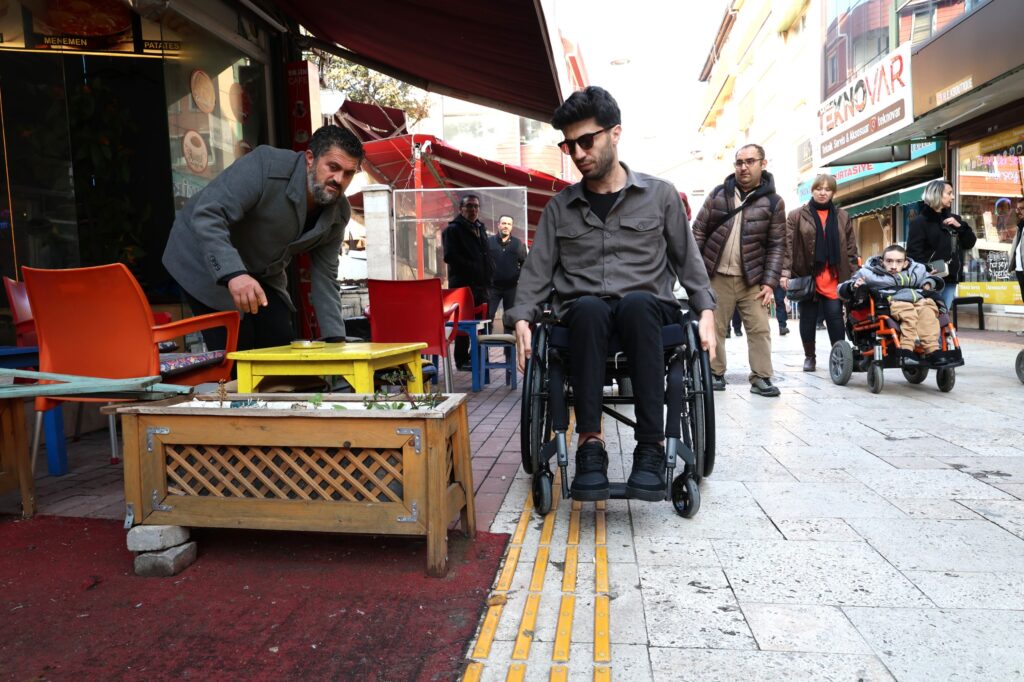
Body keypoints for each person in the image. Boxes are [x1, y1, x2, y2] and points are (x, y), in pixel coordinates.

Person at [507, 86, 716, 502]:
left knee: (638, 303)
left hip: (648, 317)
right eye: (570, 145)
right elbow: (536, 272)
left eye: (587, 141)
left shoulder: (660, 197)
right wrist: (521, 319)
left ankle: (652, 448)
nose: (579, 153)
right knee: (585, 308)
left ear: (615, 133)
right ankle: (590, 446)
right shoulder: (559, 208)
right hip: (583, 321)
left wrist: (706, 310)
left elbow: (688, 260)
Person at [163, 125, 363, 351]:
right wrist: (233, 273)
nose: (339, 179)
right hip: (201, 254)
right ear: (310, 159)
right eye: (333, 167)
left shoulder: (339, 213)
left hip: (261, 272)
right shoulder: (264, 165)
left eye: (348, 173)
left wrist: (335, 341)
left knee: (280, 343)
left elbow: (325, 275)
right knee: (239, 348)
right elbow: (207, 214)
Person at [692, 143, 785, 397]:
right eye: (739, 162)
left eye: (750, 161)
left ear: (763, 164)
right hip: (717, 275)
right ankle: (714, 373)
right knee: (715, 327)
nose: (743, 167)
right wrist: (697, 268)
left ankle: (762, 378)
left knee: (759, 329)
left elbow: (777, 243)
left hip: (752, 278)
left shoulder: (774, 202)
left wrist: (770, 281)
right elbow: (698, 230)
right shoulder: (719, 194)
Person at [780, 173, 858, 371]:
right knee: (807, 317)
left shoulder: (842, 216)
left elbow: (851, 249)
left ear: (833, 192)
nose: (823, 193)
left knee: (834, 316)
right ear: (812, 190)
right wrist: (785, 272)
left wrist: (855, 275)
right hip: (808, 274)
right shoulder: (797, 215)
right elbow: (787, 245)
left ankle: (839, 356)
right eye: (819, 188)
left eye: (828, 189)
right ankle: (809, 357)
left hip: (834, 275)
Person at [839, 244, 946, 363]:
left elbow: (932, 279)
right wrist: (853, 286)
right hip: (893, 300)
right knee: (909, 315)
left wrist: (929, 283)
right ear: (881, 261)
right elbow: (841, 289)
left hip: (918, 299)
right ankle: (906, 352)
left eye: (898, 262)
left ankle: (933, 351)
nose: (893, 266)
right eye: (889, 261)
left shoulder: (917, 270)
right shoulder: (868, 273)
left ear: (905, 263)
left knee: (928, 313)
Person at [906, 179, 977, 311]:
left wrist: (960, 227)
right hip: (930, 279)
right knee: (930, 318)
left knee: (943, 315)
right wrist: (927, 270)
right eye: (949, 193)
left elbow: (970, 243)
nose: (953, 197)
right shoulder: (920, 222)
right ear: (937, 194)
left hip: (950, 279)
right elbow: (913, 254)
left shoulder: (955, 219)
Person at [442, 193, 494, 370]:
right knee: (464, 324)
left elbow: (486, 253)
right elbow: (450, 256)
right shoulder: (453, 230)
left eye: (476, 206)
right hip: (462, 285)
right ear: (461, 209)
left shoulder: (480, 228)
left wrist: (489, 271)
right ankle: (462, 360)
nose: (473, 210)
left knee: (484, 321)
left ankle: (478, 357)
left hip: (482, 284)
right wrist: (473, 267)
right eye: (469, 206)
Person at [487, 214, 527, 326]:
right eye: (503, 223)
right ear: (498, 225)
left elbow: (525, 263)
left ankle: (508, 343)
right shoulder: (488, 242)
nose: (506, 226)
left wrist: (520, 278)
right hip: (492, 287)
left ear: (512, 227)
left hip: (511, 288)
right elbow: (482, 262)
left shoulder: (518, 244)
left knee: (509, 318)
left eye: (509, 224)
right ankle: (485, 341)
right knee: (488, 316)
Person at [1011, 198, 1024, 304]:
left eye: (1022, 208)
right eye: (1017, 209)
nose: (1018, 211)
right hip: (1020, 270)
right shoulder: (1020, 226)